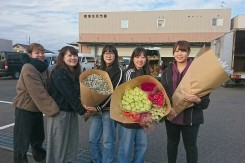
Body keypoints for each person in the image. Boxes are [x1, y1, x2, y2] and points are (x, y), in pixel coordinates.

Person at [161, 40, 210, 163]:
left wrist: (197, 99)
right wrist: (167, 108)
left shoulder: (197, 71)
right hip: (172, 115)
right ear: (173, 53)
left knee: (191, 147)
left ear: (188, 52)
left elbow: (205, 101)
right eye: (177, 51)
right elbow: (162, 93)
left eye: (183, 50)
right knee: (171, 145)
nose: (180, 54)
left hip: (191, 117)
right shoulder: (167, 71)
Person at [12, 43, 60, 163]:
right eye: (37, 53)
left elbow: (52, 88)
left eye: (42, 52)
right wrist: (54, 110)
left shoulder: (45, 68)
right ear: (30, 54)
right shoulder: (28, 67)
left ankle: (42, 160)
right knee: (21, 142)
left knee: (38, 140)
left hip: (37, 109)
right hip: (25, 109)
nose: (40, 55)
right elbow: (39, 92)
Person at [45, 46, 89, 163]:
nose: (73, 58)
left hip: (70, 112)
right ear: (62, 57)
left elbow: (77, 92)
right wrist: (83, 110)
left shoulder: (73, 72)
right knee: (58, 145)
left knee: (70, 142)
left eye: (75, 55)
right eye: (69, 55)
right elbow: (69, 94)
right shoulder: (59, 73)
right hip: (60, 114)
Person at [86, 44, 123, 163]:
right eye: (106, 53)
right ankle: (96, 160)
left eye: (111, 53)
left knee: (108, 141)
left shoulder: (119, 71)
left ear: (115, 56)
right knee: (93, 139)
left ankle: (108, 161)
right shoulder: (99, 70)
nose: (108, 55)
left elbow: (112, 93)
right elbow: (92, 89)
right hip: (96, 111)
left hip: (109, 111)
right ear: (102, 55)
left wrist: (98, 107)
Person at [117, 47, 151, 163]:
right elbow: (128, 94)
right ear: (132, 58)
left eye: (143, 57)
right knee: (125, 148)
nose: (140, 60)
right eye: (137, 57)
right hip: (129, 118)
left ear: (146, 59)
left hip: (143, 117)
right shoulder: (129, 72)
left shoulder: (148, 73)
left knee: (141, 146)